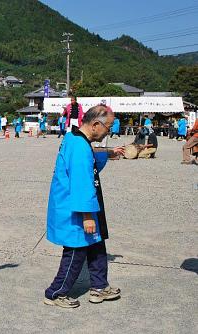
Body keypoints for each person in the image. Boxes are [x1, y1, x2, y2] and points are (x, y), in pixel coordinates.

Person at [44, 105, 124, 308]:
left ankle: (99, 286)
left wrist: (108, 153)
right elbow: (81, 181)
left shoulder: (74, 137)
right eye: (109, 127)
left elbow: (90, 156)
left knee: (96, 245)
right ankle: (55, 293)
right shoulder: (80, 147)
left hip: (78, 203)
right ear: (96, 124)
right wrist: (88, 215)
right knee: (75, 251)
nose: (109, 131)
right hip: (75, 208)